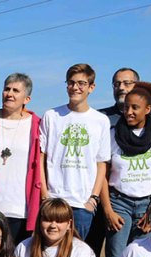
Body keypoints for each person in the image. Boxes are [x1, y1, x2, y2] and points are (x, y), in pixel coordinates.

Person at [101, 82, 151, 257]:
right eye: (126, 107)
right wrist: (108, 210)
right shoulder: (113, 135)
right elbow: (103, 175)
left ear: (147, 109)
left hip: (147, 206)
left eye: (135, 108)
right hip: (118, 203)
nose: (128, 112)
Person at [90, 67, 151, 257]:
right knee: (100, 253)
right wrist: (106, 207)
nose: (121, 87)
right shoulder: (100, 118)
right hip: (107, 197)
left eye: (127, 83)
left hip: (142, 199)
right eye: (117, 83)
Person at [38, 63, 111, 240]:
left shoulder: (100, 120)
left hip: (82, 204)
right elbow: (41, 158)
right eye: (71, 83)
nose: (75, 87)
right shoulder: (51, 116)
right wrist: (45, 195)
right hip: (54, 200)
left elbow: (101, 164)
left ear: (91, 87)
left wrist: (93, 199)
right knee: (49, 256)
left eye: (81, 83)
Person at [0, 72, 42, 243]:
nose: (10, 94)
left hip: (21, 209)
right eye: (7, 89)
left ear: (27, 99)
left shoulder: (37, 125)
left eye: (16, 90)